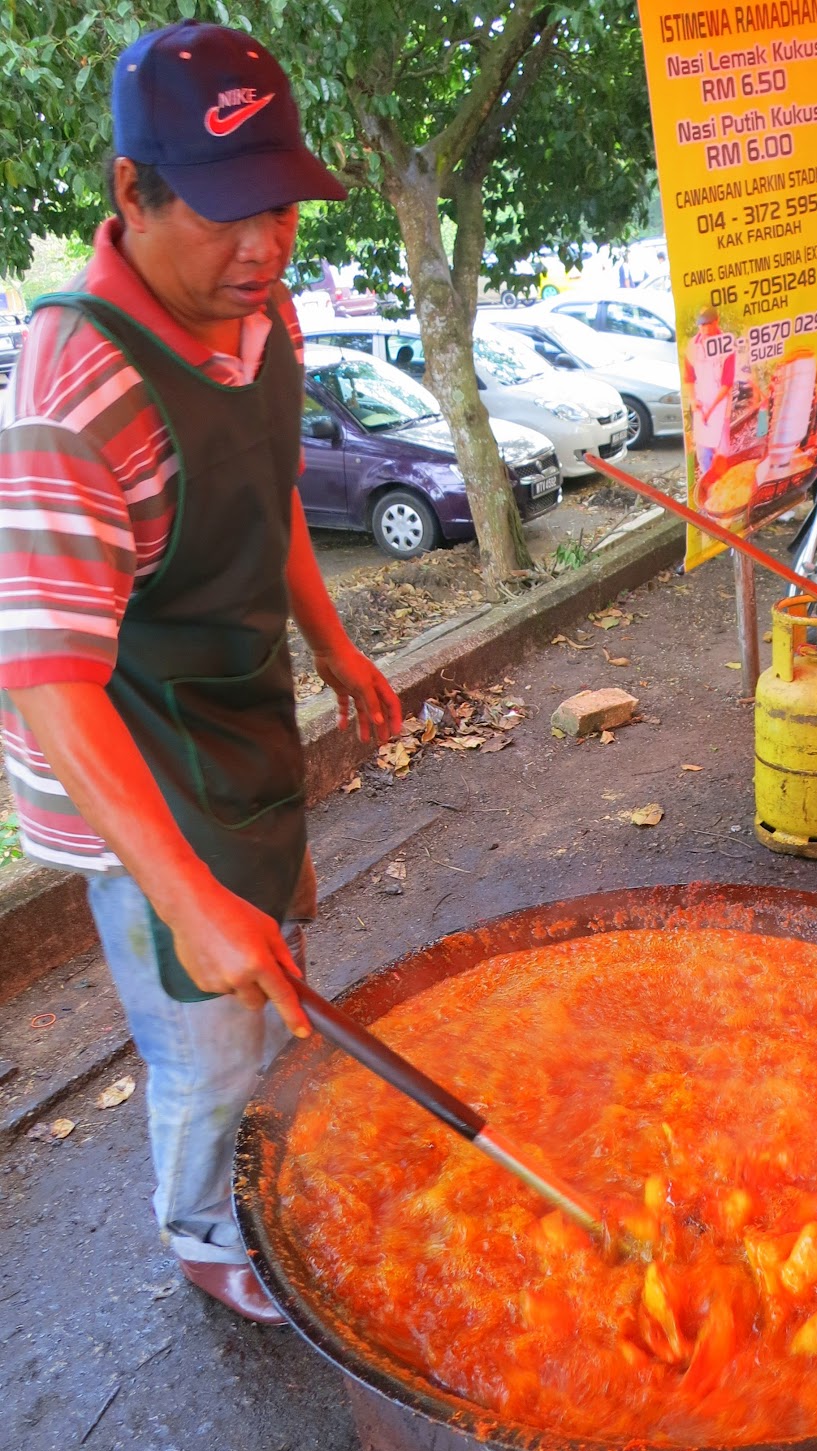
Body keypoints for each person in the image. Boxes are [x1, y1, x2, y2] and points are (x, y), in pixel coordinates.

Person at [0, 21, 403, 1323]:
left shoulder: (255, 303)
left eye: (281, 207)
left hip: (234, 712)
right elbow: (49, 682)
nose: (267, 246)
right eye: (231, 213)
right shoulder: (70, 396)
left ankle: (261, 1162)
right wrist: (184, 898)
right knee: (211, 1035)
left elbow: (269, 485)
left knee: (274, 953)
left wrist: (335, 648)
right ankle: (207, 1236)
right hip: (125, 761)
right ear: (132, 192)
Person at [682, 307, 736, 475]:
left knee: (722, 454)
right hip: (701, 404)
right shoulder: (692, 346)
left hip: (720, 405)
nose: (704, 329)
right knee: (704, 454)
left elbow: (727, 384)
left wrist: (711, 410)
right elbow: (689, 378)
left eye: (707, 324)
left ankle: (724, 490)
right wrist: (693, 400)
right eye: (701, 325)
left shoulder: (727, 346)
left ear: (716, 321)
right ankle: (708, 487)